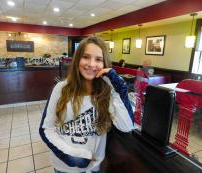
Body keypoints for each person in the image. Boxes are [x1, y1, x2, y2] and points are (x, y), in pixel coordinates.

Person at [39, 36, 134, 173]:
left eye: (98, 59)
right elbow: (46, 129)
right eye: (86, 57)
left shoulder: (107, 93)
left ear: (104, 64)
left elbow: (126, 126)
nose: (91, 64)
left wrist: (118, 87)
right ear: (77, 60)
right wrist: (72, 155)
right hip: (65, 167)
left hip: (94, 167)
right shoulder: (61, 89)